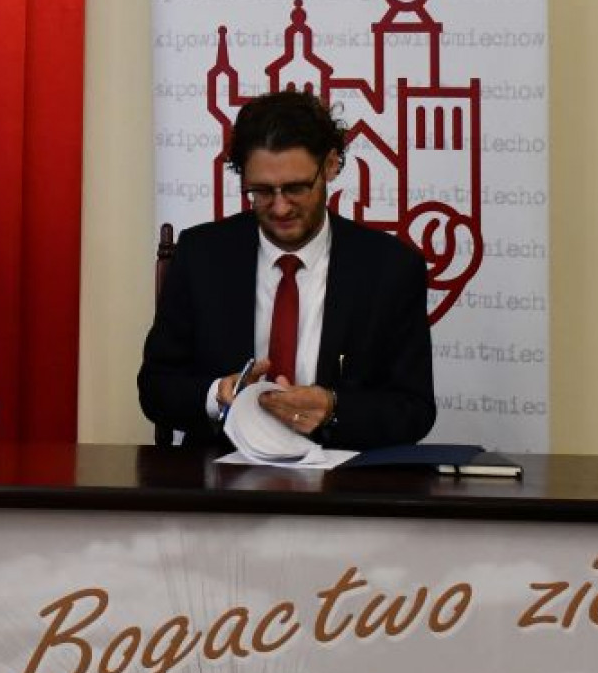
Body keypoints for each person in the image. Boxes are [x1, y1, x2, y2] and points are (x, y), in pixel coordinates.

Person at [138, 90, 436, 450]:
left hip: (340, 474)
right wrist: (217, 394)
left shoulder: (390, 268)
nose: (280, 208)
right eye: (262, 191)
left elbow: (414, 409)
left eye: (295, 188)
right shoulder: (202, 255)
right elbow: (155, 388)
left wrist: (333, 409)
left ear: (330, 165)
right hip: (221, 473)